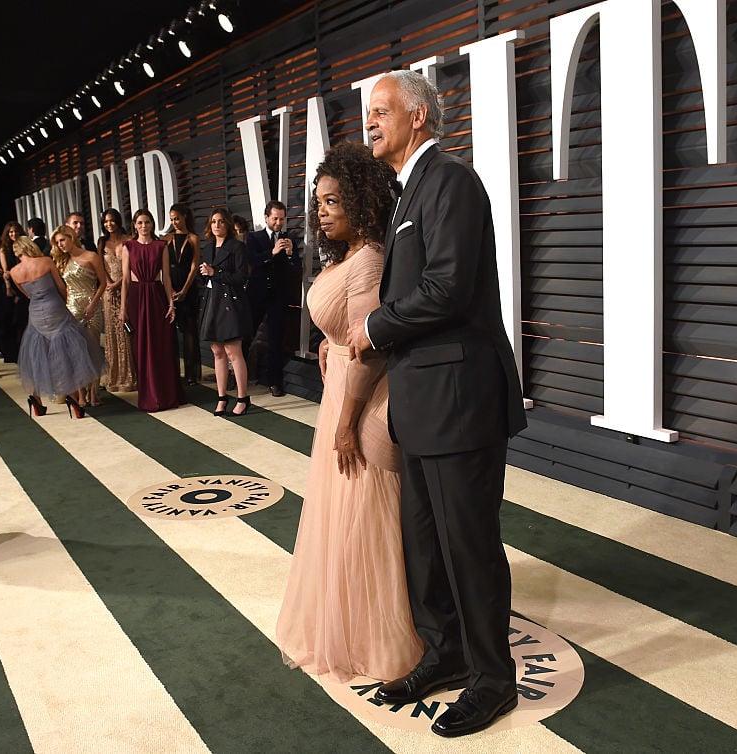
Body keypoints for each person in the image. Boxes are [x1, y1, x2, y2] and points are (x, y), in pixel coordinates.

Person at [346, 70, 527, 738]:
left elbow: (448, 288)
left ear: (418, 118)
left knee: (468, 546)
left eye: (381, 111)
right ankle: (444, 652)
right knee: (425, 547)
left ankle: (492, 680)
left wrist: (373, 328)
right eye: (369, 113)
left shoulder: (451, 182)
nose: (370, 122)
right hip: (424, 405)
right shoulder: (409, 191)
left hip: (460, 402)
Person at [276, 142, 422, 682]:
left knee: (366, 516)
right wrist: (329, 342)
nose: (322, 211)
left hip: (361, 404)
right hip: (342, 390)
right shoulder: (351, 256)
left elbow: (373, 348)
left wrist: (344, 423)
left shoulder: (370, 259)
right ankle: (354, 625)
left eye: (334, 200)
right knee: (347, 515)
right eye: (319, 201)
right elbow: (350, 333)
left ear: (360, 201)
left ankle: (380, 639)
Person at [11, 236, 105, 419]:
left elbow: (27, 295)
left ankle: (36, 401)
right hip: (55, 307)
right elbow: (62, 287)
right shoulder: (45, 262)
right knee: (69, 352)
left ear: (17, 252)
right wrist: (62, 303)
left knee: (38, 357)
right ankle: (75, 399)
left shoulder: (14, 271)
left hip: (36, 313)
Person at [120, 208, 185, 412]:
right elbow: (124, 280)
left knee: (162, 346)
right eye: (139, 223)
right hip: (137, 298)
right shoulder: (128, 246)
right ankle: (149, 396)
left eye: (147, 222)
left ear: (152, 224)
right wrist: (122, 308)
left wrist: (171, 303)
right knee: (141, 347)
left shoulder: (161, 246)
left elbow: (166, 277)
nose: (143, 226)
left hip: (157, 297)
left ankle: (167, 394)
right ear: (134, 225)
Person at [197, 208, 251, 416]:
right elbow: (205, 279)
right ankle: (221, 398)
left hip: (231, 304)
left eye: (220, 221)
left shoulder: (237, 247)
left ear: (228, 224)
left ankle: (242, 398)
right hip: (212, 301)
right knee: (217, 352)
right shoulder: (208, 248)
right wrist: (203, 274)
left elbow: (241, 278)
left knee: (233, 352)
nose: (217, 225)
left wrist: (215, 272)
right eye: (213, 222)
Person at [246, 200, 300, 397]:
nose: (278, 223)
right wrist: (272, 252)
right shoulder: (254, 237)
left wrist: (290, 253)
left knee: (276, 340)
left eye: (282, 219)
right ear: (266, 218)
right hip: (257, 294)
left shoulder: (289, 238)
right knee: (246, 335)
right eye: (275, 218)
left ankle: (274, 382)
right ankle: (240, 376)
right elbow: (252, 261)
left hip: (278, 296)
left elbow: (295, 268)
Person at [52, 225, 108, 408]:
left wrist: (93, 303)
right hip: (71, 310)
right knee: (76, 354)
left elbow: (103, 283)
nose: (60, 245)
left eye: (62, 240)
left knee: (93, 352)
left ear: (71, 237)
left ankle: (94, 394)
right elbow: (64, 289)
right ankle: (81, 395)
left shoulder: (91, 256)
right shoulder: (62, 260)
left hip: (92, 309)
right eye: (57, 242)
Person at [97, 209, 135, 393]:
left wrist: (119, 283)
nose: (109, 224)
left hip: (126, 289)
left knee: (126, 332)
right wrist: (109, 284)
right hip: (108, 292)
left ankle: (130, 376)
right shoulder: (102, 242)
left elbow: (132, 268)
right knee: (111, 334)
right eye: (105, 221)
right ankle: (114, 377)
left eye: (112, 220)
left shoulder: (129, 239)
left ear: (118, 221)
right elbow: (99, 266)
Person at [165, 203, 202, 386]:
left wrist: (185, 290)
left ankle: (191, 374)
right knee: (170, 332)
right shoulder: (166, 239)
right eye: (172, 219)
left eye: (177, 218)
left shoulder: (194, 238)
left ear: (185, 217)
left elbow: (195, 266)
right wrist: (170, 290)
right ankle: (172, 372)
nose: (175, 222)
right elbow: (162, 268)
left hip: (189, 288)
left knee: (189, 332)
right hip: (170, 286)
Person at [0, 220, 27, 363]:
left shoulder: (24, 246)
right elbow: (5, 273)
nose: (13, 234)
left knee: (23, 321)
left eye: (15, 231)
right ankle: (13, 354)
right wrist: (9, 288)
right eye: (10, 232)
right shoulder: (4, 249)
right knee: (12, 321)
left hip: (25, 286)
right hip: (11, 287)